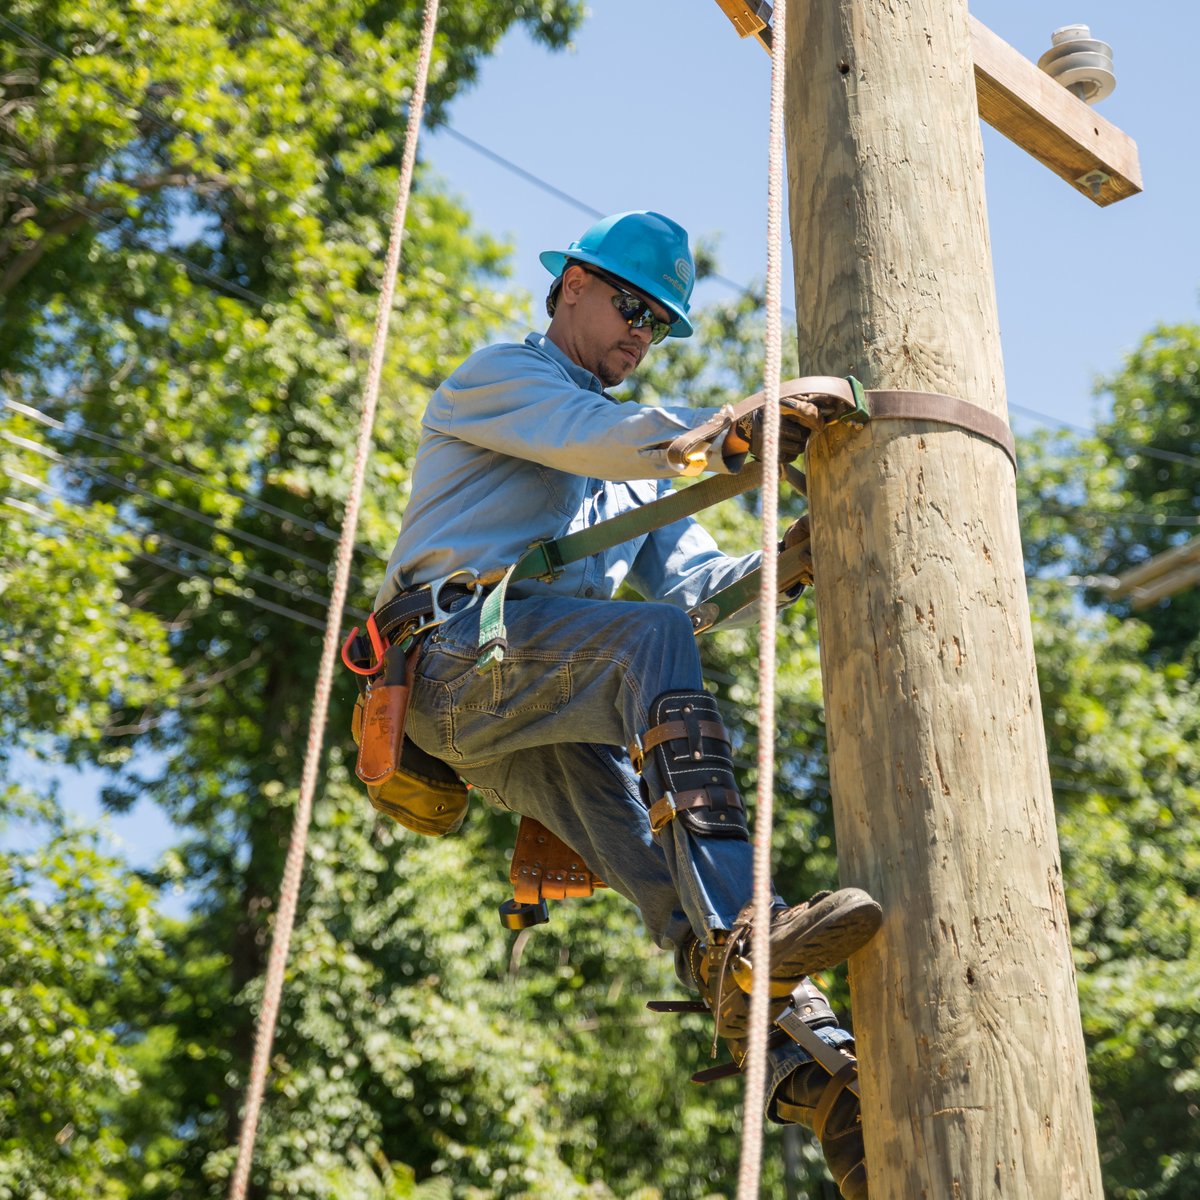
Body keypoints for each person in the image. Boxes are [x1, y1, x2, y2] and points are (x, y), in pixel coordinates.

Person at [374, 210, 880, 1198]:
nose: (641, 335)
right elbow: (607, 443)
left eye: (659, 324)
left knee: (654, 850)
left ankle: (810, 1072)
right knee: (649, 640)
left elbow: (696, 587)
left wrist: (789, 564)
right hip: (447, 659)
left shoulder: (622, 479)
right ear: (571, 287)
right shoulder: (507, 379)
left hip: (528, 707)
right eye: (630, 308)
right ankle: (748, 924)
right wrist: (738, 431)